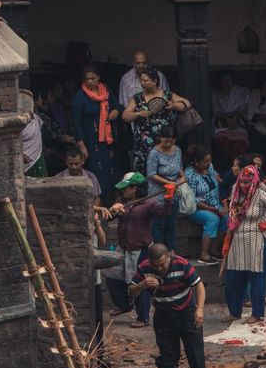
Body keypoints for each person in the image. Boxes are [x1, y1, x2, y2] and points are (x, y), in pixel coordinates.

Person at [128, 242, 209, 368]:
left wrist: (200, 309)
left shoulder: (182, 264)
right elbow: (131, 290)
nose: (159, 269)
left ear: (169, 257)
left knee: (195, 352)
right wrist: (143, 284)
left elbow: (199, 286)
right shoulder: (144, 268)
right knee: (167, 354)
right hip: (163, 315)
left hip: (187, 313)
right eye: (155, 265)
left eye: (163, 264)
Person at [221, 164, 266, 324]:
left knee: (257, 279)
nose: (244, 185)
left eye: (247, 182)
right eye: (242, 181)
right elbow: (231, 215)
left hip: (255, 238)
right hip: (237, 238)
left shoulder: (260, 194)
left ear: (254, 181)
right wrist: (227, 239)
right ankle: (234, 312)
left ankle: (257, 313)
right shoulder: (235, 190)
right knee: (233, 279)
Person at [106, 173, 168, 327]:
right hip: (123, 246)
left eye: (125, 188)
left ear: (134, 188)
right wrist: (113, 210)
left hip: (141, 249)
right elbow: (108, 217)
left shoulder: (149, 204)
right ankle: (123, 305)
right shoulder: (122, 201)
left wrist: (169, 197)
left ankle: (143, 316)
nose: (122, 191)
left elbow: (164, 213)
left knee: (140, 282)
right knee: (112, 276)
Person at [122, 67, 191, 175]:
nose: (143, 83)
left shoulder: (167, 95)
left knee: (166, 170)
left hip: (165, 141)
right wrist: (139, 114)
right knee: (146, 173)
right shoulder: (138, 98)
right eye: (141, 81)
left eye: (146, 80)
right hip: (145, 145)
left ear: (154, 81)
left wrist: (173, 105)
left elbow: (186, 104)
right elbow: (125, 116)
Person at [70, 65, 121, 199]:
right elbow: (76, 123)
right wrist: (81, 145)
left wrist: (115, 111)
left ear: (98, 78)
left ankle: (114, 203)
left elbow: (117, 105)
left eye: (93, 78)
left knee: (113, 170)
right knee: (97, 171)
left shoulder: (106, 90)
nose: (90, 82)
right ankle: (100, 204)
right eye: (87, 79)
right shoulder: (79, 97)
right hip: (92, 141)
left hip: (109, 140)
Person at [145, 126, 184, 250]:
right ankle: (159, 251)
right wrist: (168, 183)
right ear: (160, 138)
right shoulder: (154, 154)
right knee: (159, 225)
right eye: (165, 140)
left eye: (171, 141)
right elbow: (151, 174)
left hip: (173, 192)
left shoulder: (177, 150)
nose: (168, 144)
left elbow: (179, 168)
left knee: (171, 225)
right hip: (159, 193)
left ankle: (171, 251)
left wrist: (182, 178)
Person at [183, 147, 222, 264]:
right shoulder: (190, 174)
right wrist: (211, 209)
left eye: (209, 161)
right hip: (196, 208)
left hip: (215, 205)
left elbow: (217, 179)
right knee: (213, 219)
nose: (209, 164)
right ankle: (204, 254)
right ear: (196, 162)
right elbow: (192, 199)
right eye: (205, 162)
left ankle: (213, 250)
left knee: (227, 218)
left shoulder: (209, 168)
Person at [211, 72, 250, 166]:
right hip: (221, 122)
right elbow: (216, 110)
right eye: (225, 80)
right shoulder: (214, 93)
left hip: (237, 121)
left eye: (229, 80)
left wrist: (234, 118)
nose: (227, 82)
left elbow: (243, 106)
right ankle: (232, 163)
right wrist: (227, 120)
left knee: (240, 142)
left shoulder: (239, 92)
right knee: (221, 140)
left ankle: (236, 165)